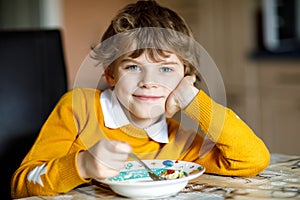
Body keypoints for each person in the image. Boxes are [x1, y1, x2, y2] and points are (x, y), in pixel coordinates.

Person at [11, 0, 270, 198]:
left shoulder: (178, 141)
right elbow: (21, 185)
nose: (149, 81)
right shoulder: (78, 108)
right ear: (110, 74)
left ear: (185, 77)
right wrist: (83, 164)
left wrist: (192, 100)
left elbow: (252, 159)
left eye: (166, 69)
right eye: (133, 67)